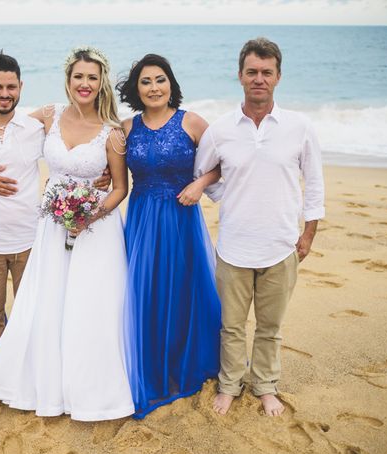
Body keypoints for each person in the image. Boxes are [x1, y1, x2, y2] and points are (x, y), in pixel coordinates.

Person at [0, 46, 134, 421]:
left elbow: (120, 189)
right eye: (79, 77)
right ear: (68, 80)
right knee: (48, 303)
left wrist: (91, 214)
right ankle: (44, 383)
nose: (85, 84)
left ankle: (88, 392)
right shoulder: (48, 115)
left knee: (91, 306)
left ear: (101, 81)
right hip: (51, 227)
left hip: (96, 231)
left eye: (92, 77)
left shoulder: (113, 132)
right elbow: (3, 127)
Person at [0, 51, 110, 349]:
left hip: (32, 239)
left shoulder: (34, 128)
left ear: (20, 87)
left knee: (31, 311)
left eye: (11, 87)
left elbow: (73, 148)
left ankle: (25, 369)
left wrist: (102, 169)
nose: (4, 94)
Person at [195, 38, 325, 416]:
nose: (259, 79)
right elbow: (204, 174)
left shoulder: (299, 127)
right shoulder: (220, 130)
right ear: (240, 76)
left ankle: (266, 385)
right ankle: (230, 385)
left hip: (281, 246)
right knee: (232, 327)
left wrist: (308, 234)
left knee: (270, 327)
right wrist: (230, 197)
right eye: (252, 72)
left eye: (266, 73)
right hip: (234, 246)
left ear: (278, 77)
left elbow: (314, 183)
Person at [116, 54, 222, 419]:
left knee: (183, 291)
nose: (154, 87)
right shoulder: (127, 128)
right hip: (143, 219)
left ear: (171, 83)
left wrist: (200, 182)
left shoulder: (191, 122)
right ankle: (151, 366)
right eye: (146, 82)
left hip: (181, 216)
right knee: (145, 293)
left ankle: (184, 364)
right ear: (137, 89)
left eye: (160, 80)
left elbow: (224, 159)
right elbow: (112, 171)